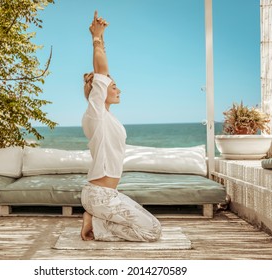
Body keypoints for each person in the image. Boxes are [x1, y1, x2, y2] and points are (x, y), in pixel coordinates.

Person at [80, 11, 162, 242]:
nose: (118, 90)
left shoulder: (107, 117)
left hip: (108, 194)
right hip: (99, 196)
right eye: (113, 86)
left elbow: (102, 74)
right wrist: (97, 38)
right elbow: (101, 72)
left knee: (154, 225)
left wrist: (101, 41)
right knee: (151, 232)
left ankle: (95, 220)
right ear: (99, 90)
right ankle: (96, 225)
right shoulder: (94, 114)